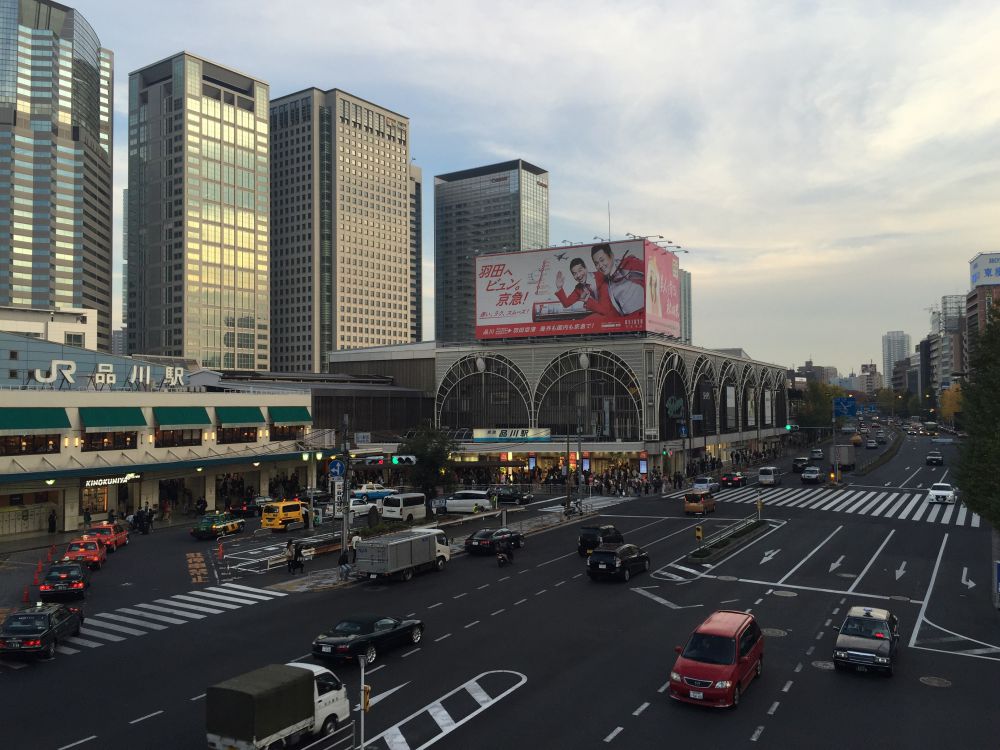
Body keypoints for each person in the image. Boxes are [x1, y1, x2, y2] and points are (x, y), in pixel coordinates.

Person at [591, 243, 645, 316]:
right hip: (629, 322)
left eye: (602, 260)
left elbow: (652, 273)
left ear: (611, 255)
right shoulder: (607, 285)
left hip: (646, 317)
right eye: (596, 263)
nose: (600, 265)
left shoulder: (629, 264)